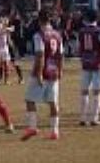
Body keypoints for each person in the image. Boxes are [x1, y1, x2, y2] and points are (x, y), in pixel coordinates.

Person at [21, 10, 64, 141]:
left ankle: (33, 127)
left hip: (42, 71)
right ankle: (55, 131)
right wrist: (60, 70)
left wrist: (38, 73)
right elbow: (60, 55)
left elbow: (40, 54)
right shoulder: (57, 35)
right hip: (54, 71)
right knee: (53, 102)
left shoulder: (39, 35)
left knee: (29, 99)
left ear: (39, 20)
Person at [76, 10, 100, 126]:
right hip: (98, 63)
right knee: (97, 92)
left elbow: (78, 48)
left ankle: (83, 118)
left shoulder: (81, 31)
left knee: (84, 91)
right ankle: (94, 118)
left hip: (86, 62)